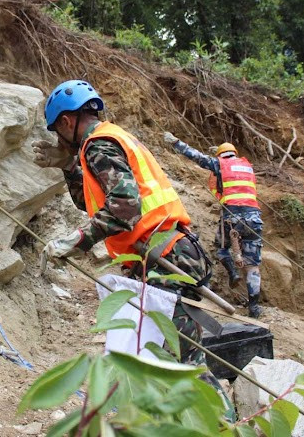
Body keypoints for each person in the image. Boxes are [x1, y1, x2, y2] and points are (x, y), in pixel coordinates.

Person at [33, 80, 225, 393]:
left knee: (177, 367)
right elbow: (94, 201)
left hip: (165, 260)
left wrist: (77, 240)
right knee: (173, 362)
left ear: (66, 121)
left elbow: (125, 207)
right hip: (170, 254)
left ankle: (218, 418)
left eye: (57, 131)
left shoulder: (98, 145)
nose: (58, 139)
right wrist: (69, 166)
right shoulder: (111, 138)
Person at [164, 134, 264, 318]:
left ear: (220, 156)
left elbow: (197, 157)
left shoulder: (219, 164)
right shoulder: (247, 166)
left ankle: (233, 273)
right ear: (234, 153)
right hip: (253, 218)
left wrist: (176, 143)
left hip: (232, 216)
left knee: (222, 248)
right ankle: (254, 307)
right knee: (253, 266)